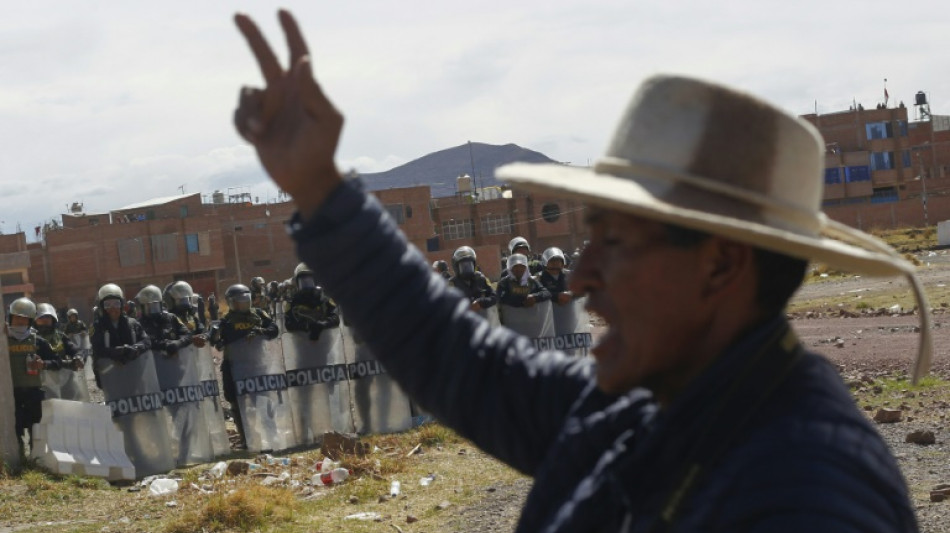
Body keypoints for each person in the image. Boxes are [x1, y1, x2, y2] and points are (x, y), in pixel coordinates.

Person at [233, 11, 927, 530]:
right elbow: (461, 359)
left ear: (720, 264)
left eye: (615, 242)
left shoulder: (806, 494)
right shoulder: (642, 411)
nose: (581, 277)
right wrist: (320, 187)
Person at [208, 283, 279, 449]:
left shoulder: (258, 314)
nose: (243, 304)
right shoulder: (226, 320)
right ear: (231, 302)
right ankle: (247, 439)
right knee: (235, 402)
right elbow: (214, 341)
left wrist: (261, 331)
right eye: (239, 301)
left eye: (245, 299)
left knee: (263, 400)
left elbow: (274, 329)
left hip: (257, 363)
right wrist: (215, 331)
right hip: (234, 366)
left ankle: (272, 435)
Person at [6, 297, 61, 457]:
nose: (20, 321)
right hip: (11, 394)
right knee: (14, 427)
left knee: (36, 428)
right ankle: (18, 459)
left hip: (33, 392)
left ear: (30, 321)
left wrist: (43, 364)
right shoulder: (4, 340)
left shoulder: (38, 341)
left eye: (24, 318)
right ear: (10, 318)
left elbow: (57, 362)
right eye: (17, 317)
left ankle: (36, 459)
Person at [90, 284, 151, 385]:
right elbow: (97, 349)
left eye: (116, 304)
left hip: (134, 372)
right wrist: (115, 352)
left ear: (122, 305)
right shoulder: (97, 326)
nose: (112, 308)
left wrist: (135, 348)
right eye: (107, 304)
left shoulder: (132, 323)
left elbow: (146, 341)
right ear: (102, 307)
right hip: (110, 376)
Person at [283, 262, 339, 340]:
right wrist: (306, 325)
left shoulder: (324, 299)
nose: (307, 284)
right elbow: (289, 324)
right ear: (297, 283)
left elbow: (335, 319)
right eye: (303, 282)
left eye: (310, 281)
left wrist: (322, 324)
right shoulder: (292, 301)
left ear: (315, 281)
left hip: (326, 342)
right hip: (302, 343)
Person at [137, 285, 193, 357]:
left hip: (176, 361)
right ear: (142, 307)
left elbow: (188, 334)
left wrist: (178, 343)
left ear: (160, 304)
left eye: (155, 306)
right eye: (148, 307)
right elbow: (143, 343)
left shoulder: (171, 318)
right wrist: (164, 344)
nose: (153, 310)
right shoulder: (139, 324)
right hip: (152, 362)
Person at [447, 246, 497, 312]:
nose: (467, 267)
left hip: (483, 316)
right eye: (463, 265)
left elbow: (495, 297)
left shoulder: (481, 278)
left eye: (469, 264)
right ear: (456, 266)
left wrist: (481, 302)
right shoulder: (451, 284)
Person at [164, 281, 208, 346]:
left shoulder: (192, 317)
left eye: (185, 299)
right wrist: (178, 343)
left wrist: (204, 337)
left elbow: (203, 331)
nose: (184, 303)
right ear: (170, 300)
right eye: (180, 300)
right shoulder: (167, 320)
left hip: (194, 351)